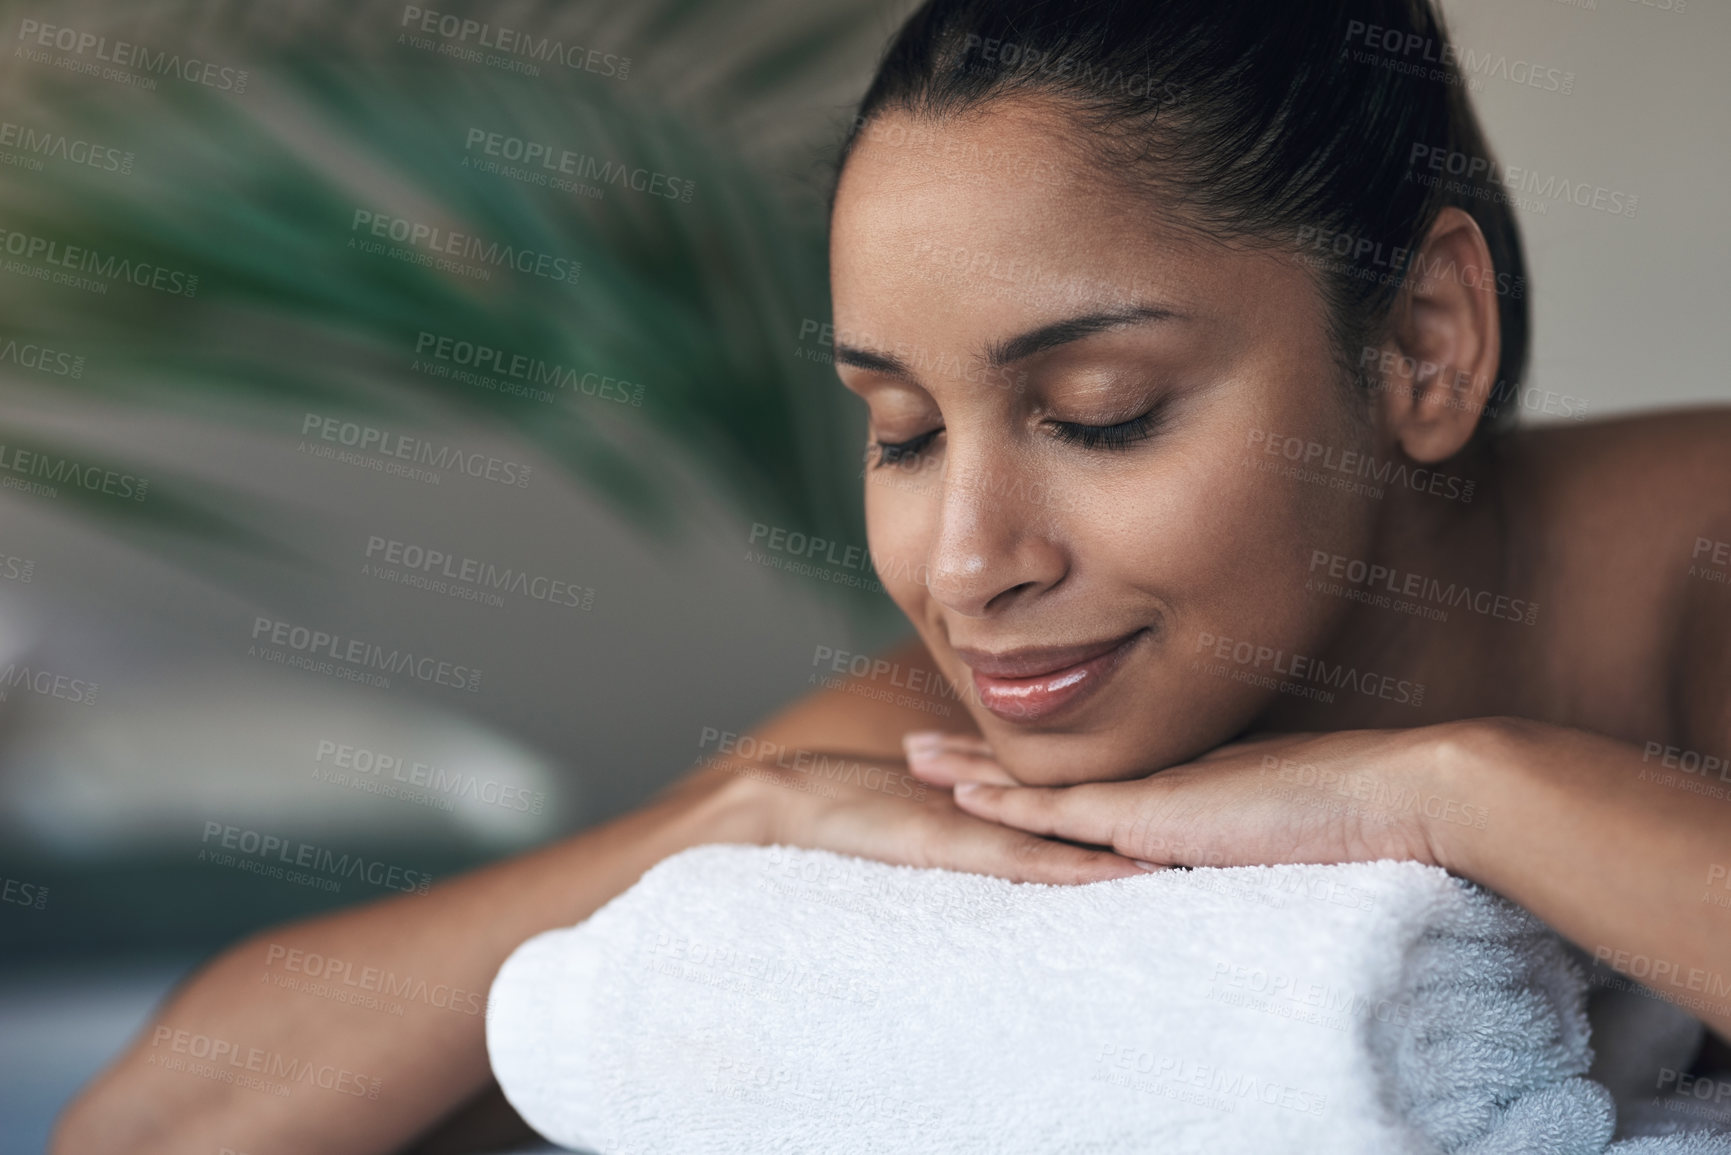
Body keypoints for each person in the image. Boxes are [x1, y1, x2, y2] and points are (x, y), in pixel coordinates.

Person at [54, 0, 1731, 1151]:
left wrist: (1458, 791)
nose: (967, 564)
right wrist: (720, 821)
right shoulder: (974, 725)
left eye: (1102, 414)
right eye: (905, 432)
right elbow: (141, 1128)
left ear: (1423, 344)